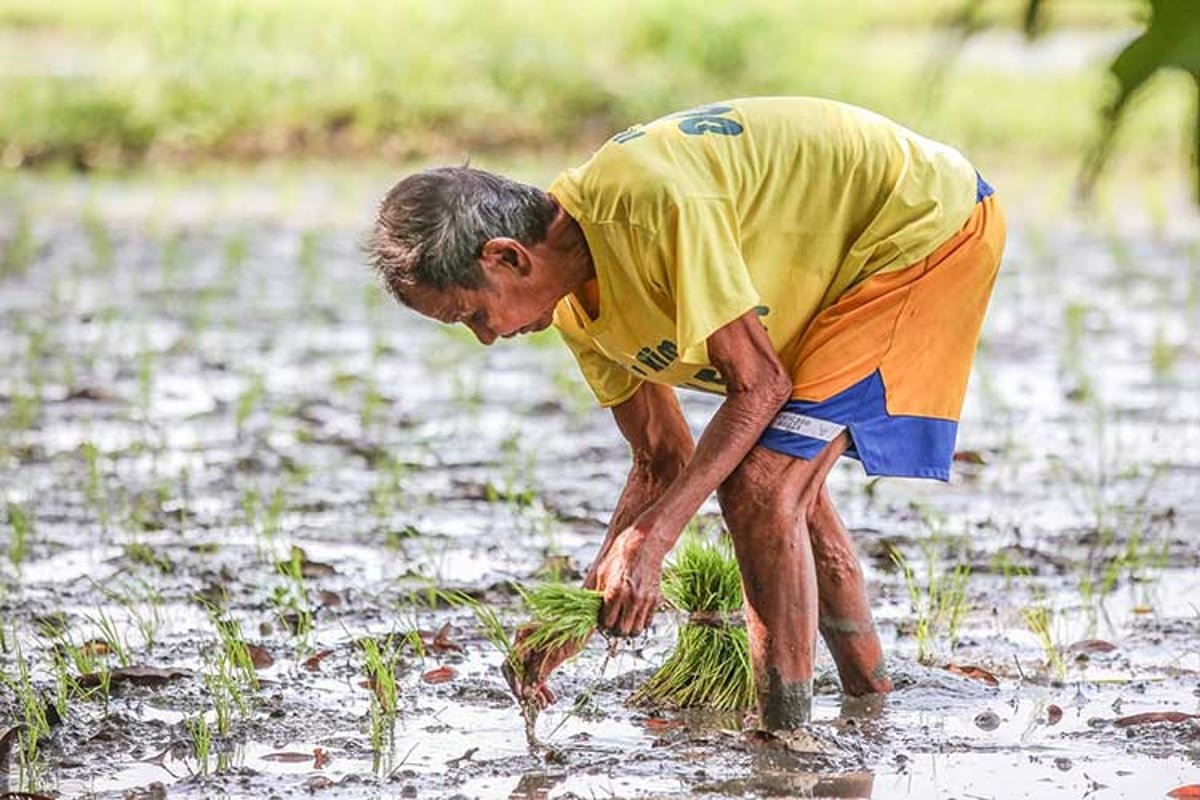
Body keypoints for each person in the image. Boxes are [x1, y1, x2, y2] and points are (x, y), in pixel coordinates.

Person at [365, 97, 1005, 730]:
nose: (484, 335)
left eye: (473, 313)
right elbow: (661, 460)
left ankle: (785, 733)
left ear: (507, 257)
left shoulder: (648, 204)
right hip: (845, 259)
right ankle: (870, 697)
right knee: (786, 486)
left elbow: (757, 384)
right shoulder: (572, 305)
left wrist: (652, 542)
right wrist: (587, 606)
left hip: (923, 226)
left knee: (762, 484)